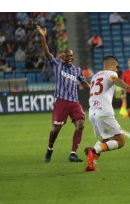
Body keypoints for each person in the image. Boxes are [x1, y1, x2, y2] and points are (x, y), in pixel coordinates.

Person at [37, 25, 90, 163]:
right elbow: (47, 54)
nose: (70, 58)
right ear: (63, 57)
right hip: (61, 102)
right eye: (68, 56)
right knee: (56, 129)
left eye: (72, 56)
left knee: (81, 124)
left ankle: (73, 153)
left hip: (74, 102)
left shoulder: (77, 70)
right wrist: (43, 37)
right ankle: (50, 148)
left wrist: (94, 91)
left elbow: (84, 83)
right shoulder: (57, 64)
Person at [84, 55, 130, 171]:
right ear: (110, 65)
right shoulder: (111, 74)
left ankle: (92, 163)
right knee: (120, 141)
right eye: (116, 67)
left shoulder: (95, 76)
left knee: (105, 139)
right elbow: (115, 80)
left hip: (92, 113)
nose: (116, 70)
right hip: (104, 112)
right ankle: (94, 151)